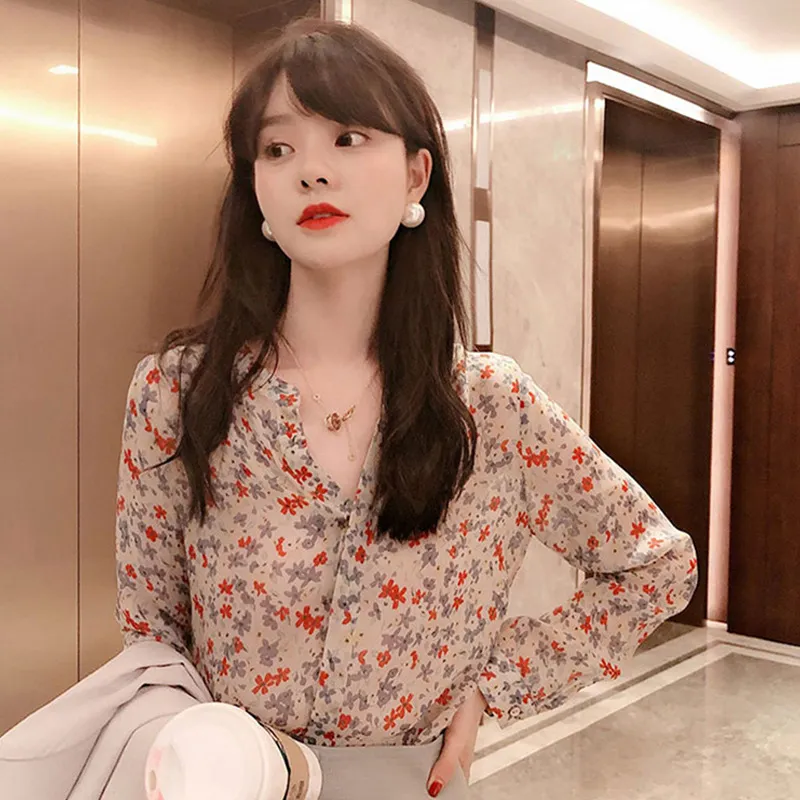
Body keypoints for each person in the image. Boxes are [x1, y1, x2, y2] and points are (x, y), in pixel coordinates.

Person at [115, 17, 698, 800]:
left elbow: (656, 566)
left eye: (348, 138)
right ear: (255, 188)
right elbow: (151, 636)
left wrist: (495, 686)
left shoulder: (489, 408)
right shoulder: (177, 394)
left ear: (417, 176)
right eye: (277, 149)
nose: (311, 172)